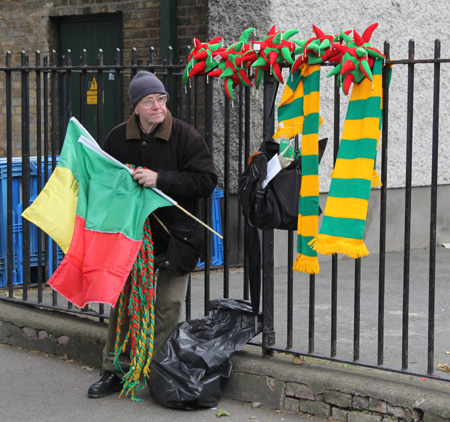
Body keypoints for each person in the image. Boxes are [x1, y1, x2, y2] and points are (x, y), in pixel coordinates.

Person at [87, 71, 217, 398]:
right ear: (136, 107)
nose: (157, 106)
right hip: (132, 235)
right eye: (149, 101)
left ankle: (158, 370)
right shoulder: (118, 139)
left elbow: (206, 181)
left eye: (161, 99)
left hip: (177, 235)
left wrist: (161, 179)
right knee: (125, 305)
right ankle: (115, 369)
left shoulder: (186, 136)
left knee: (168, 305)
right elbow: (103, 182)